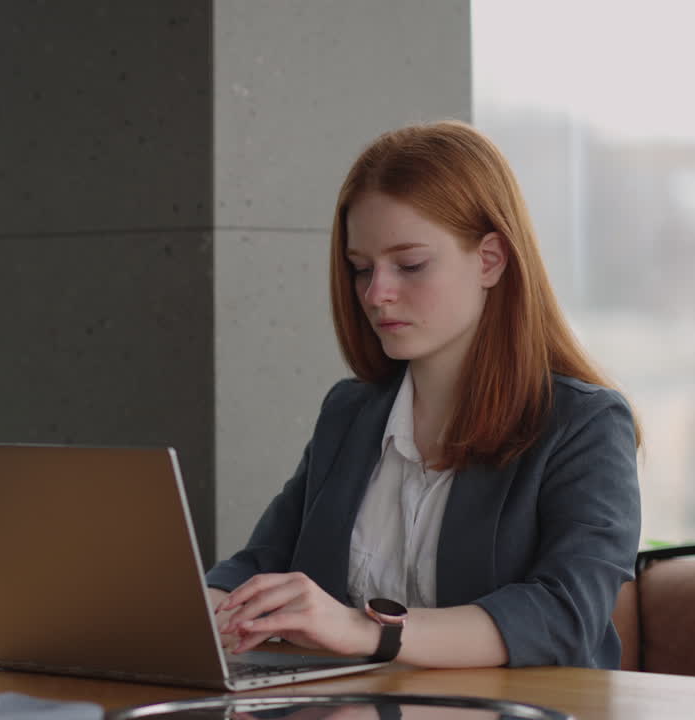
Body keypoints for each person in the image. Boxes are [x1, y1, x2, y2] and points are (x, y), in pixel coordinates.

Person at [204, 121, 642, 670]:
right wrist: (200, 611)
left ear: (490, 260)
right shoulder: (350, 413)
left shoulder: (585, 424)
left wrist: (363, 629)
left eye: (410, 265)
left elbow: (564, 615)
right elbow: (263, 563)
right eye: (361, 269)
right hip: (353, 707)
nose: (376, 293)